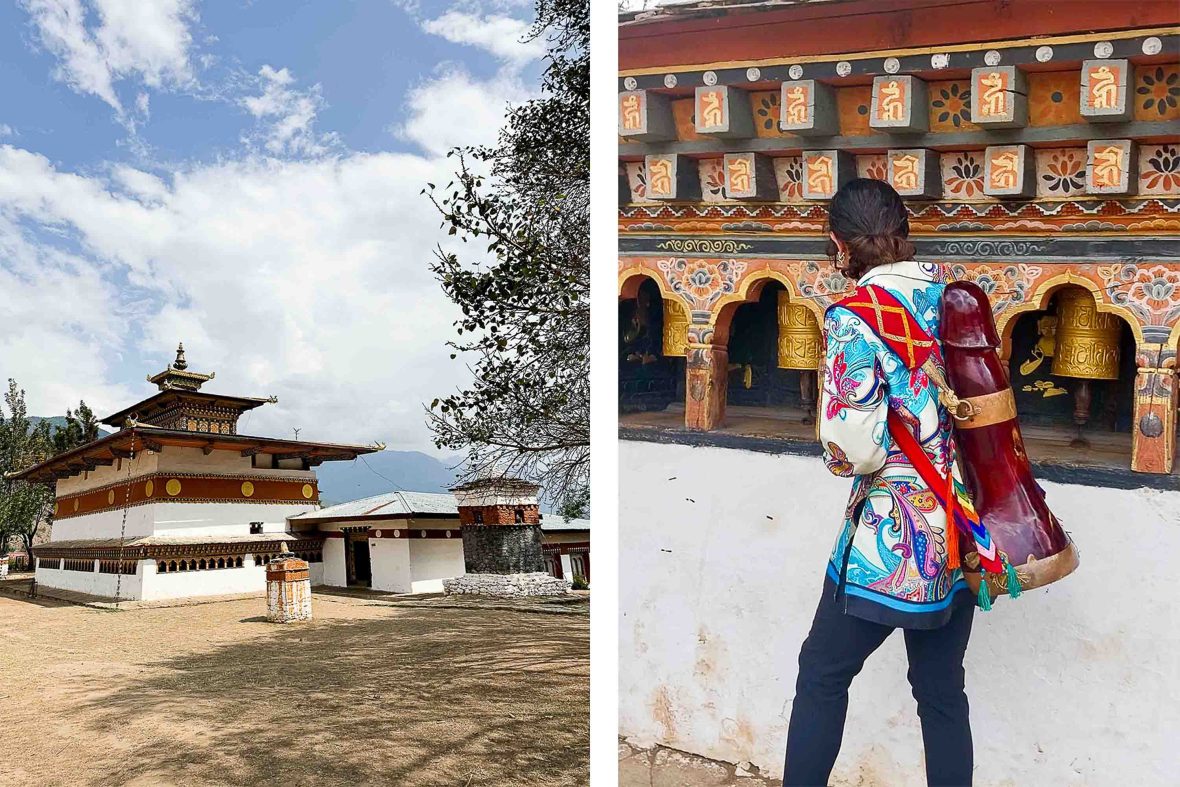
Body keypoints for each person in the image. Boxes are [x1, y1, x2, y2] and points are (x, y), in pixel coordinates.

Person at [782, 179, 976, 787]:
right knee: (941, 693)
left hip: (887, 540)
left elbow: (853, 450)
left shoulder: (855, 318)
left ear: (840, 244)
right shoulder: (955, 297)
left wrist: (846, 453)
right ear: (904, 229)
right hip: (961, 530)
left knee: (821, 674)